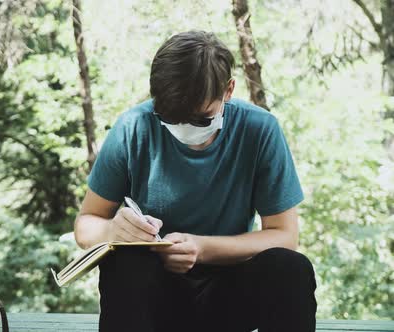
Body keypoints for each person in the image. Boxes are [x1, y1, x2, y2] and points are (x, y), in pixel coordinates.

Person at [73, 30, 317, 332]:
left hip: (228, 293)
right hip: (153, 297)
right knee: (123, 264)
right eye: (170, 118)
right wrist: (112, 229)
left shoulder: (259, 130)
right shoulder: (133, 127)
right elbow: (86, 224)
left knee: (291, 270)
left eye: (200, 119)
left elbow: (284, 236)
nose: (184, 129)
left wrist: (201, 248)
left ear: (228, 91)